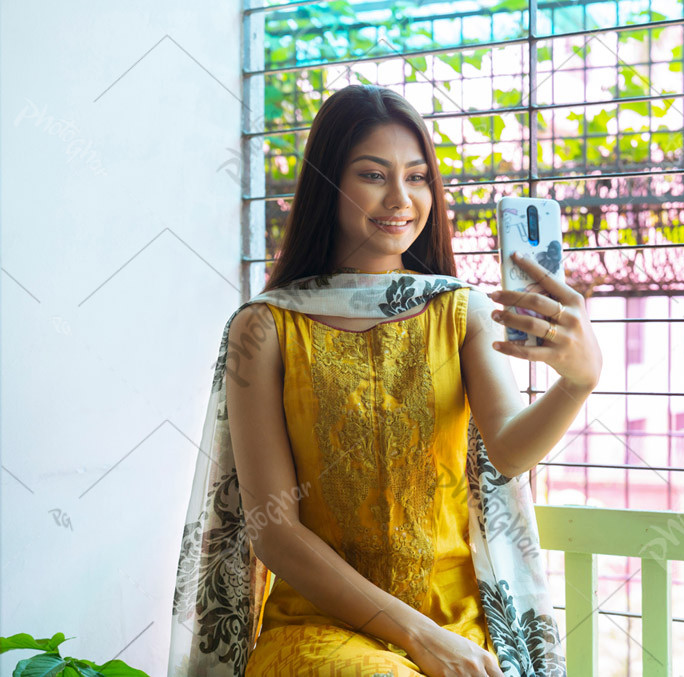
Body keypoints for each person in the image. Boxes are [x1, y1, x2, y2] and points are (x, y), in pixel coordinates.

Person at [224, 84, 602, 676]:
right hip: (321, 626)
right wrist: (419, 639)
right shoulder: (265, 328)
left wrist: (577, 382)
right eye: (374, 175)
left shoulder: (460, 311)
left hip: (459, 621)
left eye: (419, 177)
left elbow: (507, 449)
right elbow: (274, 532)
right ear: (328, 183)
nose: (401, 198)